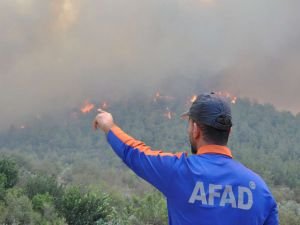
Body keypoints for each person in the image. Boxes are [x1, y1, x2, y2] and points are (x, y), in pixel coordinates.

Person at [93, 92, 279, 225]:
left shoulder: (179, 172)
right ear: (228, 131)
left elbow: (135, 153)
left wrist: (109, 126)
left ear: (196, 129)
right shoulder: (261, 190)